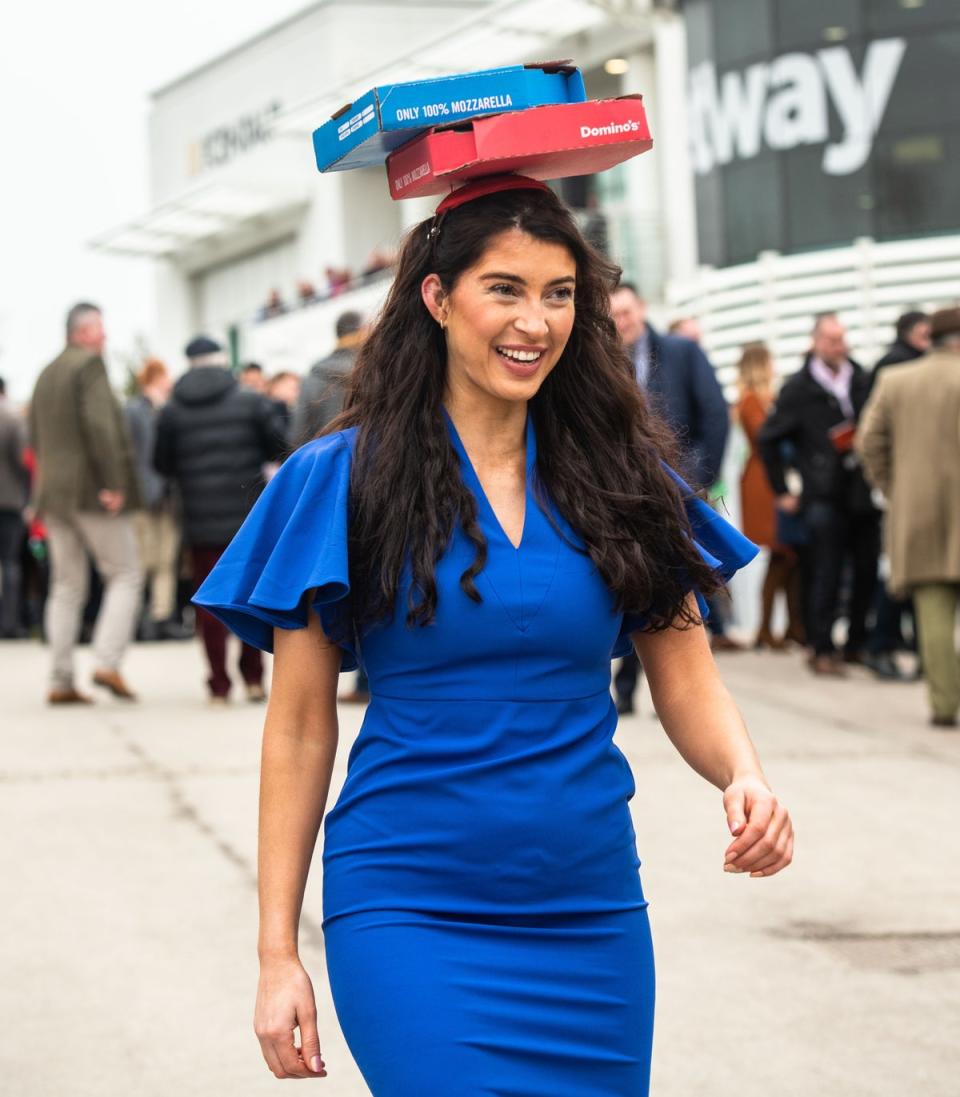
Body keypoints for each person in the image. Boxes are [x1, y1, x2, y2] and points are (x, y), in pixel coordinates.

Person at [194, 177, 793, 1093]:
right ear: (438, 298)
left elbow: (685, 673)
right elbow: (303, 726)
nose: (536, 320)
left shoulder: (622, 477)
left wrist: (743, 775)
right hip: (409, 904)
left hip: (589, 909)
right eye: (504, 289)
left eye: (559, 294)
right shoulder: (343, 476)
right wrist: (277, 950)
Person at [609, 282, 734, 712]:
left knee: (674, 589)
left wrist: (695, 481)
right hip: (621, 497)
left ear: (641, 309)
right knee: (635, 586)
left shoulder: (681, 353)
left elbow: (714, 417)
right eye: (613, 315)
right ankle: (626, 686)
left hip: (677, 489)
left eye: (626, 312)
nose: (621, 321)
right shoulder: (601, 360)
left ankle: (691, 693)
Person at [154, 336, 286, 703]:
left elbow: (161, 464)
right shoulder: (249, 401)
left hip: (199, 519)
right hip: (248, 518)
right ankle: (254, 677)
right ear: (220, 360)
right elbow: (279, 443)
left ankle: (218, 682)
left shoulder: (172, 411)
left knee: (209, 603)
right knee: (248, 597)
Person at [29, 304, 143, 702]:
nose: (104, 336)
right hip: (92, 491)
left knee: (65, 586)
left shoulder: (45, 373)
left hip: (53, 494)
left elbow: (36, 434)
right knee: (125, 573)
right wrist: (113, 482)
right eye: (98, 328)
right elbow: (101, 426)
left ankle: (60, 680)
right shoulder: (89, 367)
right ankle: (107, 663)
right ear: (81, 332)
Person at [758, 313, 880, 676]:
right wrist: (782, 490)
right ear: (816, 342)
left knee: (866, 569)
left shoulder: (861, 378)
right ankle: (821, 646)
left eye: (841, 338)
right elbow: (768, 439)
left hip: (861, 491)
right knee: (824, 571)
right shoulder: (799, 388)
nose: (838, 345)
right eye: (830, 339)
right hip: (821, 495)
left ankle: (856, 643)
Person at [857, 307, 960, 728]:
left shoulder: (896, 381)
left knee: (932, 614)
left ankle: (943, 704)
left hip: (917, 515)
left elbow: (868, 441)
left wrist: (894, 488)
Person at [735, 344, 805, 649]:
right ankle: (765, 628)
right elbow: (766, 438)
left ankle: (791, 625)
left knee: (788, 554)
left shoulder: (769, 400)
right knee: (780, 552)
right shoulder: (751, 401)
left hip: (770, 477)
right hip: (762, 481)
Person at [125, 358, 187, 641]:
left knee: (166, 559)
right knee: (142, 560)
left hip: (168, 496)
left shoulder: (170, 410)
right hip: (142, 496)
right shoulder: (134, 410)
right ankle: (137, 619)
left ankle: (162, 616)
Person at [289, 310, 366, 447]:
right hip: (366, 459)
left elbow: (297, 433)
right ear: (362, 331)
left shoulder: (312, 376)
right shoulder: (370, 372)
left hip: (321, 460)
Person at [0, 377, 29, 638]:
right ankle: (8, 622)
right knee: (10, 563)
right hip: (8, 500)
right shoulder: (12, 417)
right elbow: (24, 460)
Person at [869, 309, 931, 392]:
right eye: (924, 336)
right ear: (908, 333)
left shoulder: (920, 355)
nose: (930, 341)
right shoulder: (896, 360)